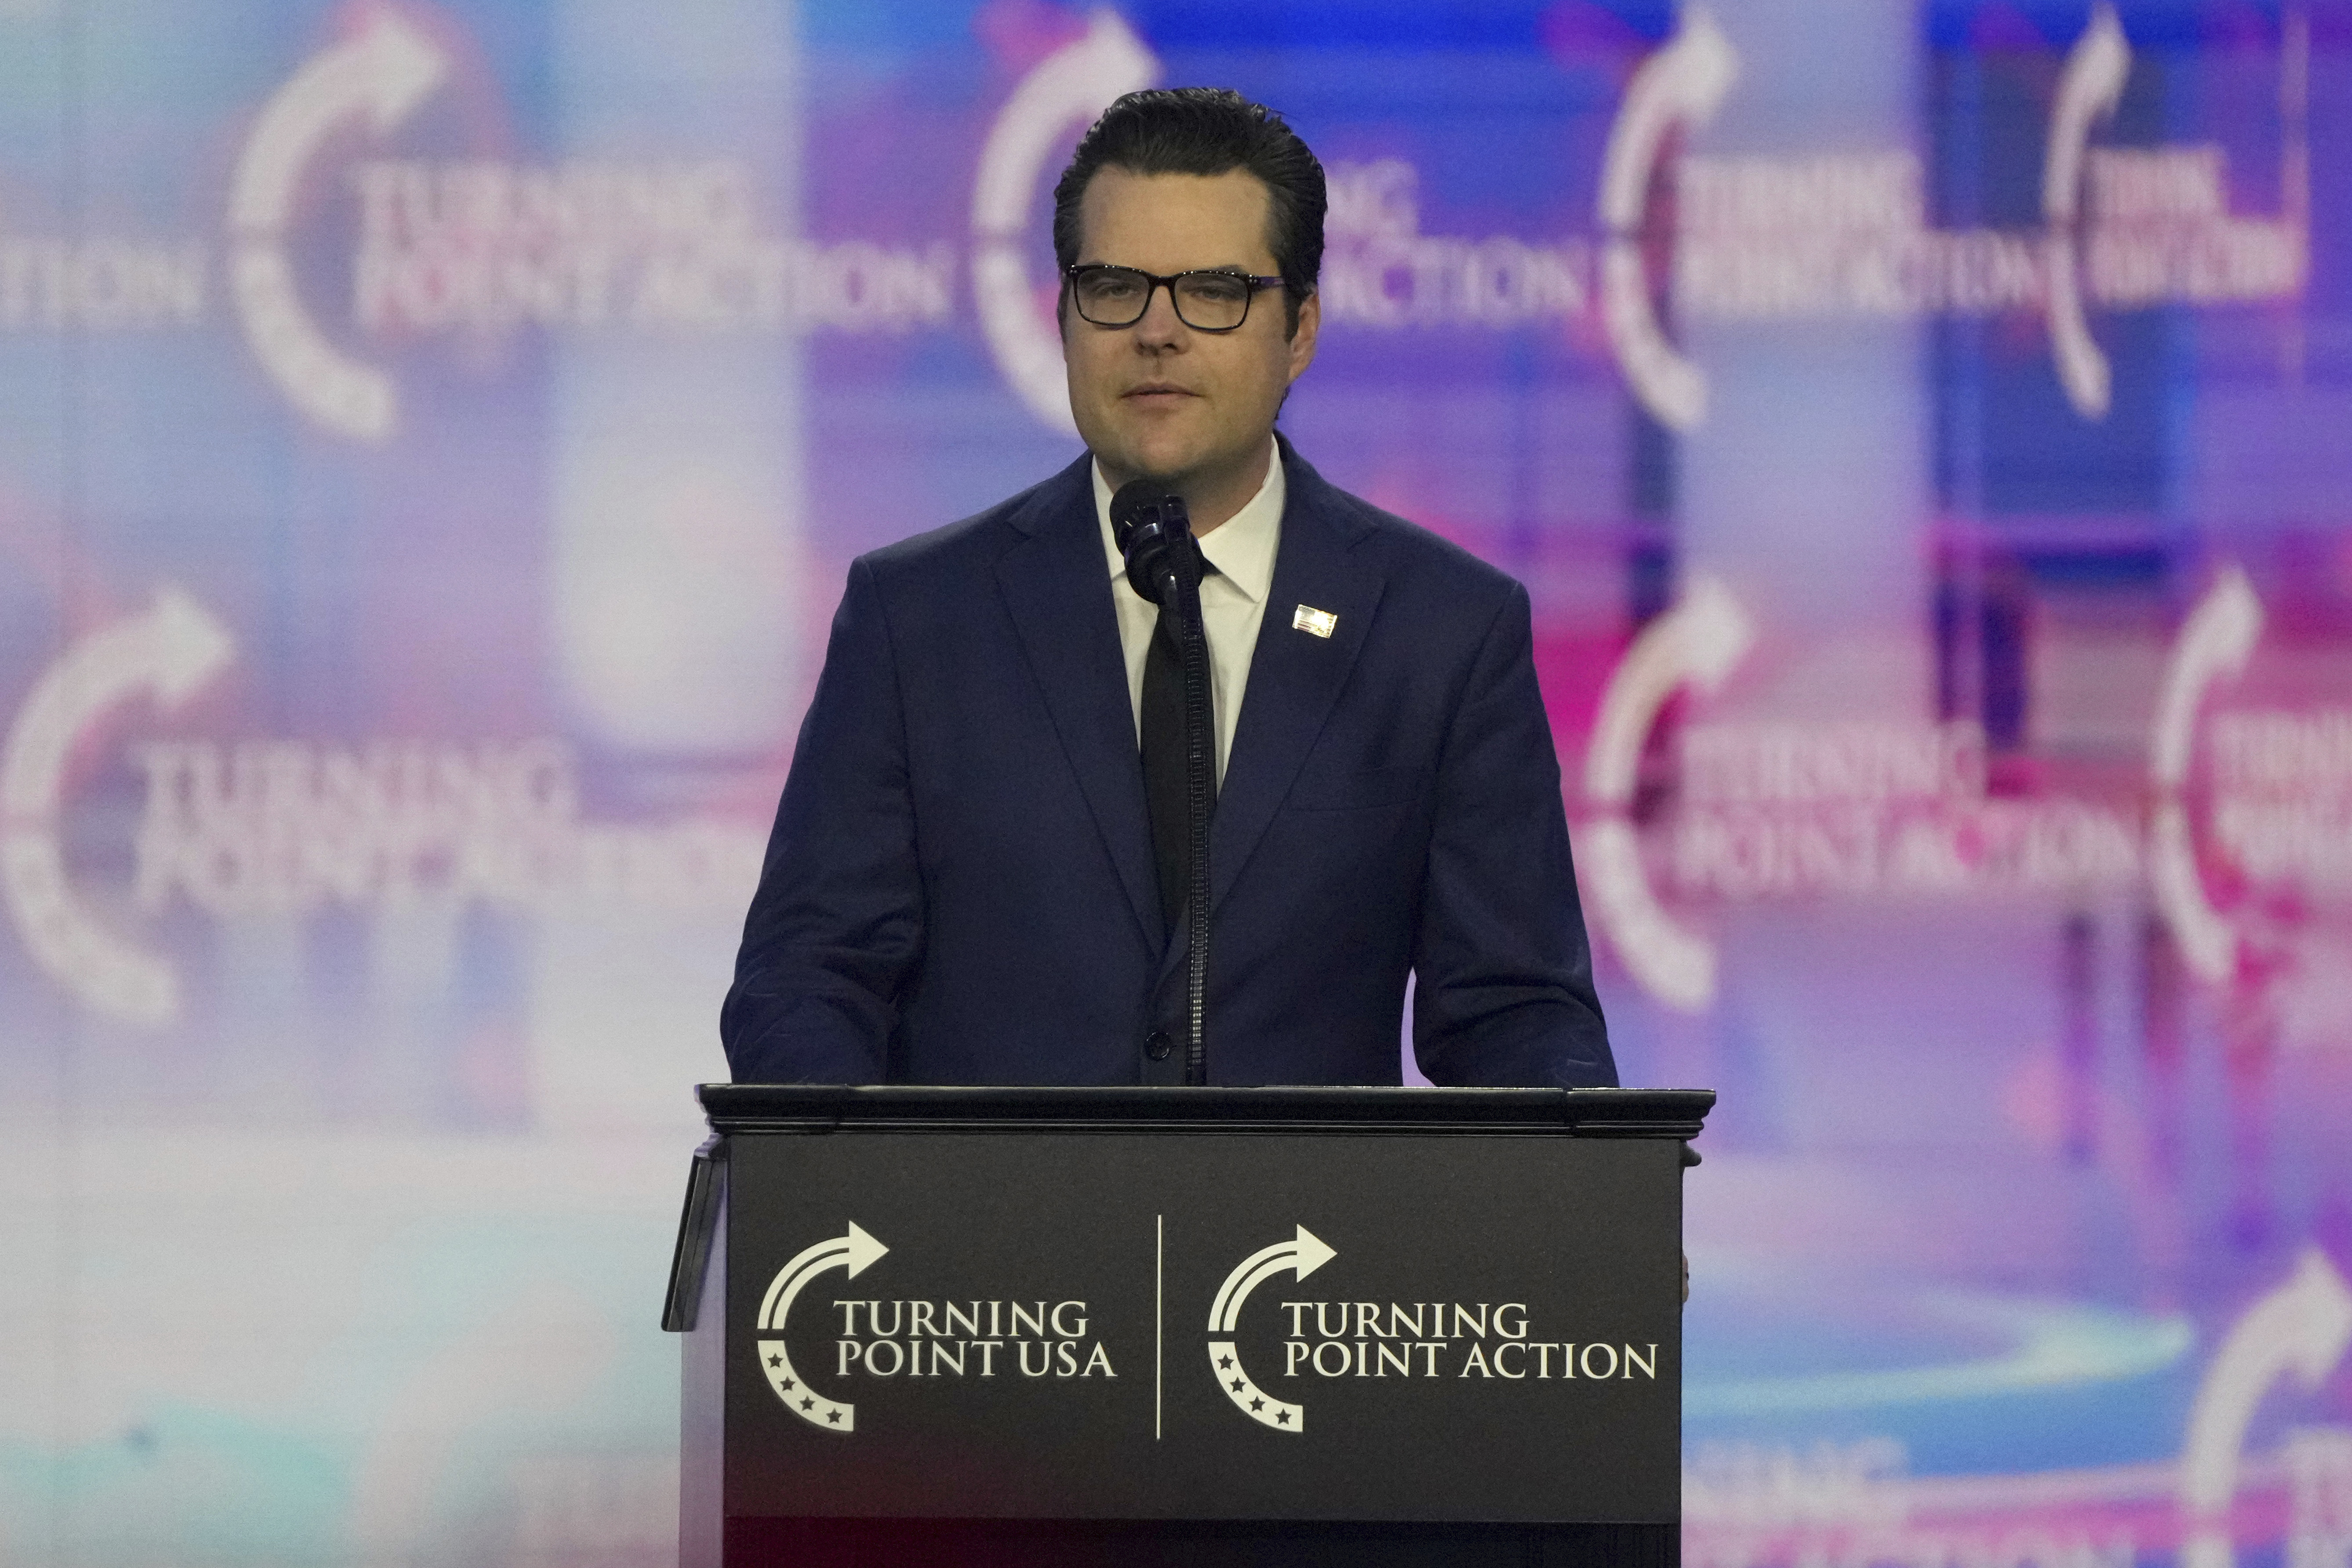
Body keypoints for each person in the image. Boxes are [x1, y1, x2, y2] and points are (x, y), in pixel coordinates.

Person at [722, 87, 1614, 1089]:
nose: (1158, 331)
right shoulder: (917, 620)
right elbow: (807, 981)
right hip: (989, 1240)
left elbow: (1515, 1012)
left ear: (1302, 329)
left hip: (1311, 1241)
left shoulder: (1442, 632)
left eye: (1215, 291)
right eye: (1114, 286)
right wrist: (856, 1186)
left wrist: (1577, 1193)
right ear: (1062, 317)